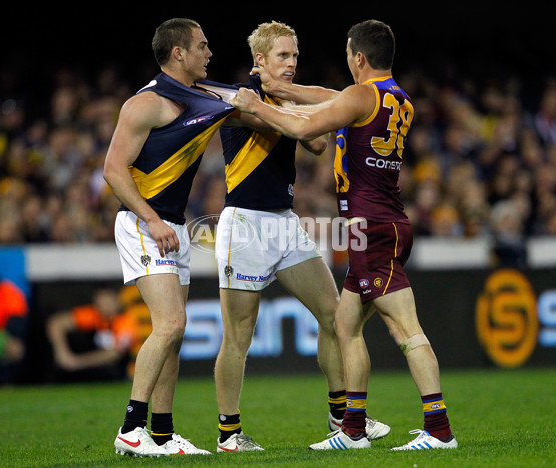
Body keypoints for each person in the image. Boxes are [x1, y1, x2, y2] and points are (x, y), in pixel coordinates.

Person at [231, 19, 457, 451]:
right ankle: (352, 429)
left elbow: (303, 128)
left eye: (349, 56)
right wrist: (281, 90)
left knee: (406, 330)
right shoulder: (396, 98)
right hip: (380, 224)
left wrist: (256, 105)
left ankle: (438, 429)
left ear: (358, 57)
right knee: (343, 324)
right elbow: (327, 99)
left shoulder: (360, 96)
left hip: (371, 228)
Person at [213, 21, 390, 453]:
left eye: (294, 56)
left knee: (333, 317)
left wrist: (291, 99)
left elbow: (315, 144)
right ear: (261, 60)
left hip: (285, 223)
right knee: (239, 335)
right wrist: (293, 107)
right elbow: (301, 131)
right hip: (246, 225)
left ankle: (341, 417)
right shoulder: (241, 98)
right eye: (283, 57)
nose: (291, 63)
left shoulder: (278, 98)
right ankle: (229, 434)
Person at [103, 17, 261, 457]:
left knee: (172, 331)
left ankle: (162, 432)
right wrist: (151, 220)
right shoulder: (145, 103)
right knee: (171, 325)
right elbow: (113, 170)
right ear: (178, 52)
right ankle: (130, 428)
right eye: (202, 45)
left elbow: (250, 104)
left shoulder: (202, 95)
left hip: (173, 225)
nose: (209, 52)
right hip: (143, 223)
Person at [46, 287, 135, 381]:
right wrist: (62, 353)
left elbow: (115, 354)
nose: (104, 308)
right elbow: (56, 323)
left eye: (107, 304)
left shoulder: (126, 321)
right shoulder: (95, 316)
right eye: (100, 305)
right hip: (90, 373)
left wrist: (77, 362)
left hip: (117, 373)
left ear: (117, 303)